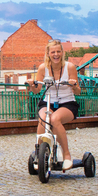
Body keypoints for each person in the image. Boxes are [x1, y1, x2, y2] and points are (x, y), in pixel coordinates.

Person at [27, 39, 81, 170]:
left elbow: (78, 92)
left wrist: (73, 85)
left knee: (55, 119)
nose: (56, 54)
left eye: (58, 51)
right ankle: (40, 154)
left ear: (62, 52)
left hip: (67, 102)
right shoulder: (42, 68)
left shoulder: (70, 67)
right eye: (53, 52)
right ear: (48, 53)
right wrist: (31, 86)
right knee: (43, 118)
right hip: (48, 101)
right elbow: (37, 90)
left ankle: (67, 155)